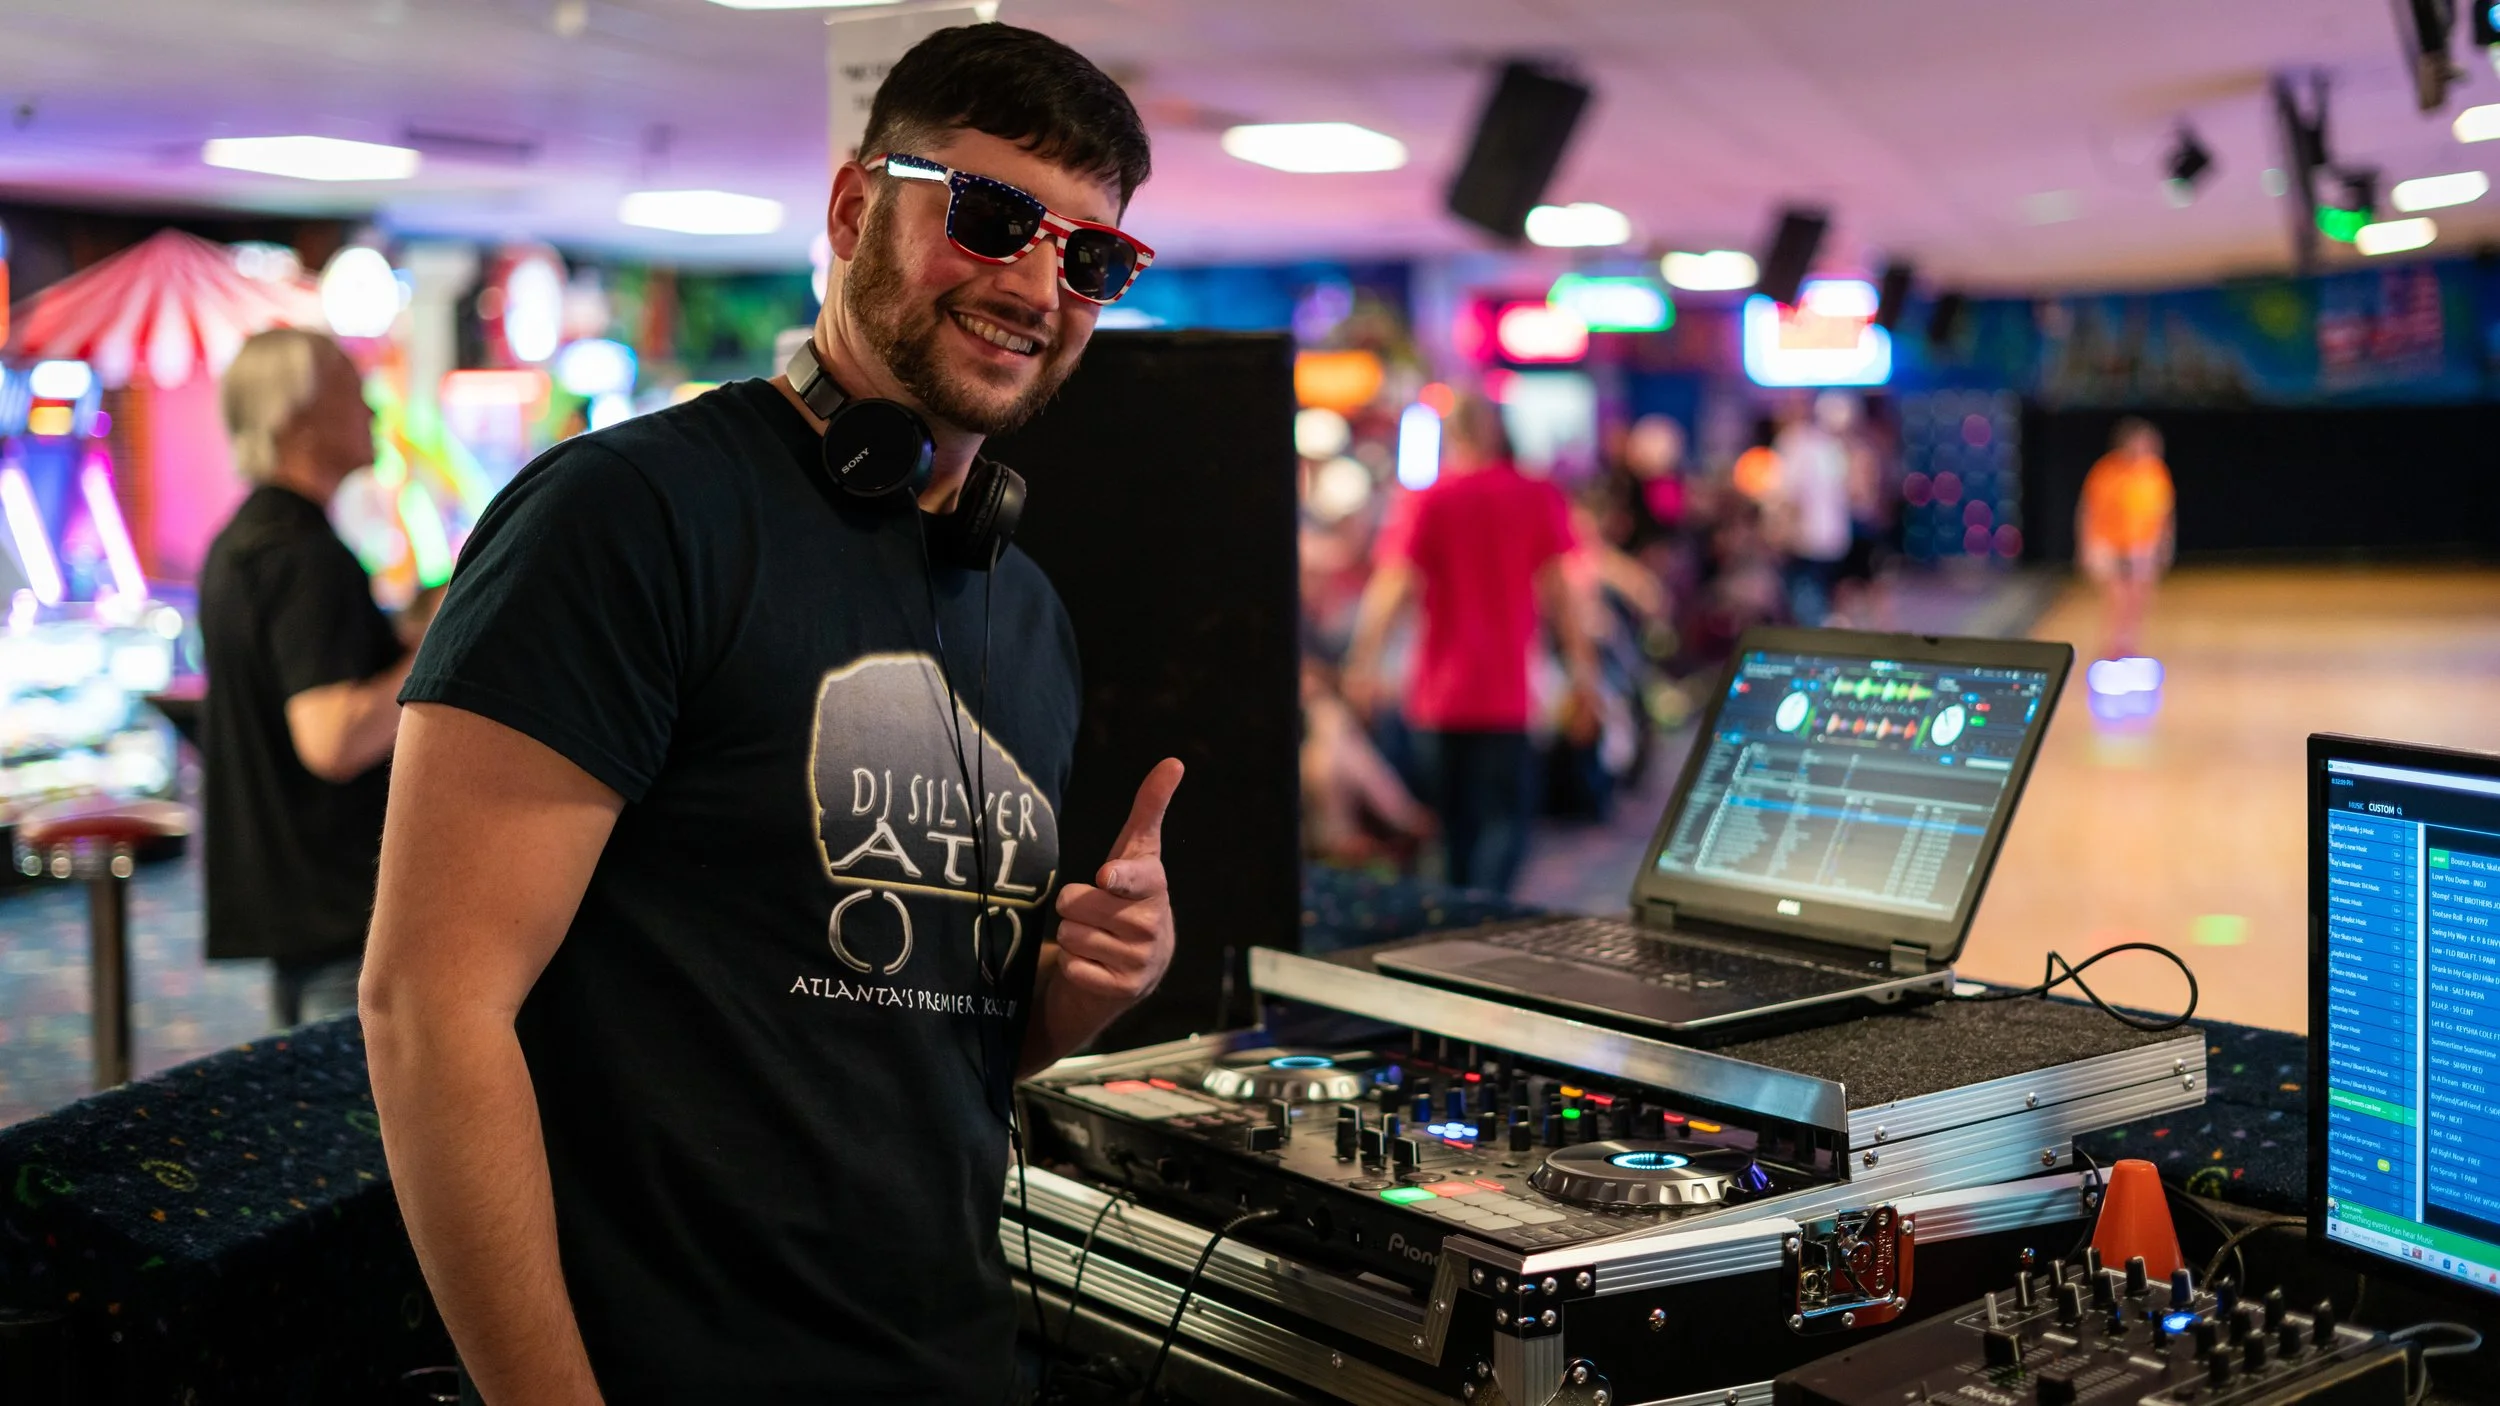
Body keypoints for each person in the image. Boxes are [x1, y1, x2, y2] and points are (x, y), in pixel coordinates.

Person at [359, 26, 1177, 1402]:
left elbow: (898, 1021)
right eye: (990, 220)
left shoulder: (1019, 604)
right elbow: (427, 1009)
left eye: (1089, 255)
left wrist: (1065, 997)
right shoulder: (627, 520)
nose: (1038, 281)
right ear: (858, 209)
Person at [200, 327, 423, 1028]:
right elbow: (333, 738)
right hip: (336, 909)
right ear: (298, 414)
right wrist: (445, 648)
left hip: (293, 898)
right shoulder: (303, 555)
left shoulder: (244, 539)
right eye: (353, 393)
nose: (373, 411)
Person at [1343, 393, 1600, 894]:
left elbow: (1392, 586)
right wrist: (1585, 676)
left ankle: (1457, 925)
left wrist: (1362, 663)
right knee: (1505, 825)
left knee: (1454, 831)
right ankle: (1483, 922)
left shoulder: (1429, 497)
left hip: (1438, 698)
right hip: (1508, 698)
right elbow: (1563, 597)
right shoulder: (1535, 494)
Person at [2076, 416, 2176, 657]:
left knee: (2139, 597)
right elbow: (2089, 510)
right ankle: (2113, 645)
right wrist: (2087, 546)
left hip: (2143, 546)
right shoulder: (2107, 471)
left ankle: (2131, 643)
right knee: (2117, 596)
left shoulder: (2155, 472)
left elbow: (2164, 513)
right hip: (2109, 543)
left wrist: (2164, 544)